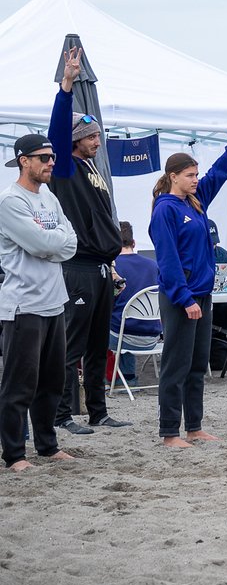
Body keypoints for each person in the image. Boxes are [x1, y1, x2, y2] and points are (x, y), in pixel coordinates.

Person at [149, 111, 227, 448]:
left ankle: (194, 427)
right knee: (175, 366)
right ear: (173, 176)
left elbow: (220, 173)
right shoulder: (165, 209)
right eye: (190, 175)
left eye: (196, 174)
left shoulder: (195, 202)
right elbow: (167, 261)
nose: (196, 179)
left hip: (203, 295)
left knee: (197, 365)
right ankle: (169, 433)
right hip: (182, 298)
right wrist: (185, 299)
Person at [48, 48, 129, 434]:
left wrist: (111, 263)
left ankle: (97, 411)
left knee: (100, 345)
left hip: (100, 268)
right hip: (77, 267)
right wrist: (67, 86)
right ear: (76, 140)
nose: (98, 140)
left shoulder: (93, 168)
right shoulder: (64, 167)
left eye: (99, 134)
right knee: (72, 345)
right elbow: (57, 132)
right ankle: (63, 415)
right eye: (91, 135)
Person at [0, 133, 79, 471]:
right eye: (44, 158)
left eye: (52, 158)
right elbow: (39, 245)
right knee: (19, 385)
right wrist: (53, 243)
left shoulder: (48, 196)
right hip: (23, 305)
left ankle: (47, 445)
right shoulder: (10, 201)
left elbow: (71, 242)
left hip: (53, 302)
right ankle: (15, 454)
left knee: (51, 383)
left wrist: (53, 243)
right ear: (24, 161)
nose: (50, 163)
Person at [109, 221, 161, 387]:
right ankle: (129, 376)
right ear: (134, 243)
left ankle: (113, 379)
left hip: (123, 337)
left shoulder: (112, 269)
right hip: (153, 337)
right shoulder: (153, 265)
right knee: (124, 320)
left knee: (105, 323)